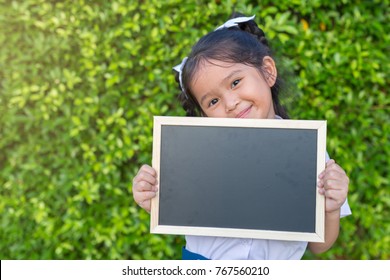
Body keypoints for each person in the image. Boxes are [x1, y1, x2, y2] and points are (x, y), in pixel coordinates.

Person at [132, 13, 351, 260]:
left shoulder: (307, 151)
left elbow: (319, 245)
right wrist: (153, 197)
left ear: (268, 72)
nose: (231, 103)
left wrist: (331, 210)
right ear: (204, 114)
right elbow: (183, 210)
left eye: (235, 82)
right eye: (213, 101)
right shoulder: (200, 155)